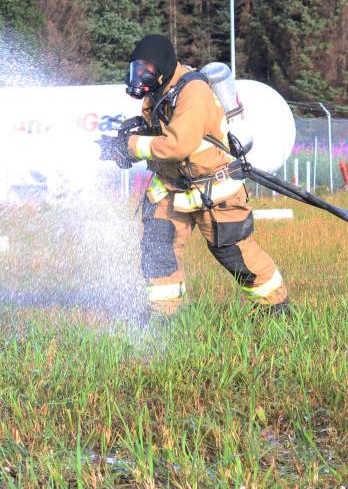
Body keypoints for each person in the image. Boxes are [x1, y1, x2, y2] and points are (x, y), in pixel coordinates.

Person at [101, 34, 289, 316]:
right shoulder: (160, 92)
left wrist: (129, 147)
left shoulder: (194, 92)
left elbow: (178, 145)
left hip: (215, 187)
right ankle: (161, 315)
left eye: (147, 70)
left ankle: (275, 308)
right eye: (136, 69)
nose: (140, 76)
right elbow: (163, 135)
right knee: (158, 251)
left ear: (163, 67)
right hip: (171, 186)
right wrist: (134, 135)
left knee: (233, 252)